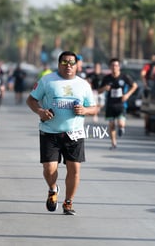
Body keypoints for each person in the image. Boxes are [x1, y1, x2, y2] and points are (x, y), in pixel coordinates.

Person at [26, 51, 97, 215]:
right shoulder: (47, 80)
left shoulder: (84, 85)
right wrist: (40, 112)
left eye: (72, 63)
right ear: (59, 64)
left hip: (75, 133)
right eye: (65, 62)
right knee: (50, 169)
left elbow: (94, 108)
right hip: (49, 131)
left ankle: (68, 202)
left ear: (77, 65)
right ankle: (52, 189)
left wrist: (85, 110)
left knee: (74, 169)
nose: (68, 66)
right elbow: (31, 100)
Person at [98, 58, 138, 150]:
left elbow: (134, 86)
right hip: (110, 104)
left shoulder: (124, 77)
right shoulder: (106, 78)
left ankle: (121, 128)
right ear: (110, 67)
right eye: (112, 65)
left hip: (121, 104)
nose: (114, 67)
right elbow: (99, 91)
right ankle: (113, 143)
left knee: (120, 123)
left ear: (119, 67)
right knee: (111, 124)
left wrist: (127, 95)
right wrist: (105, 88)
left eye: (116, 65)